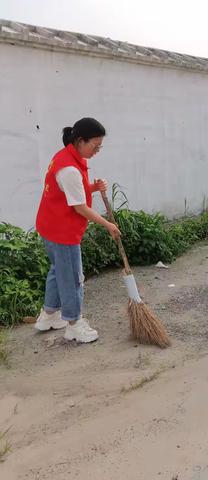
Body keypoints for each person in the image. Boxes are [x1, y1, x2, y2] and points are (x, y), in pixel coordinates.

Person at [34, 117, 121, 343]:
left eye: (100, 146)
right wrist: (108, 224)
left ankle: (49, 314)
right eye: (95, 146)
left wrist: (92, 187)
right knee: (72, 277)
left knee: (57, 270)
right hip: (62, 232)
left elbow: (72, 193)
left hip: (50, 226)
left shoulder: (65, 156)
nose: (97, 151)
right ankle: (73, 323)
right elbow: (79, 207)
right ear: (81, 140)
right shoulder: (70, 169)